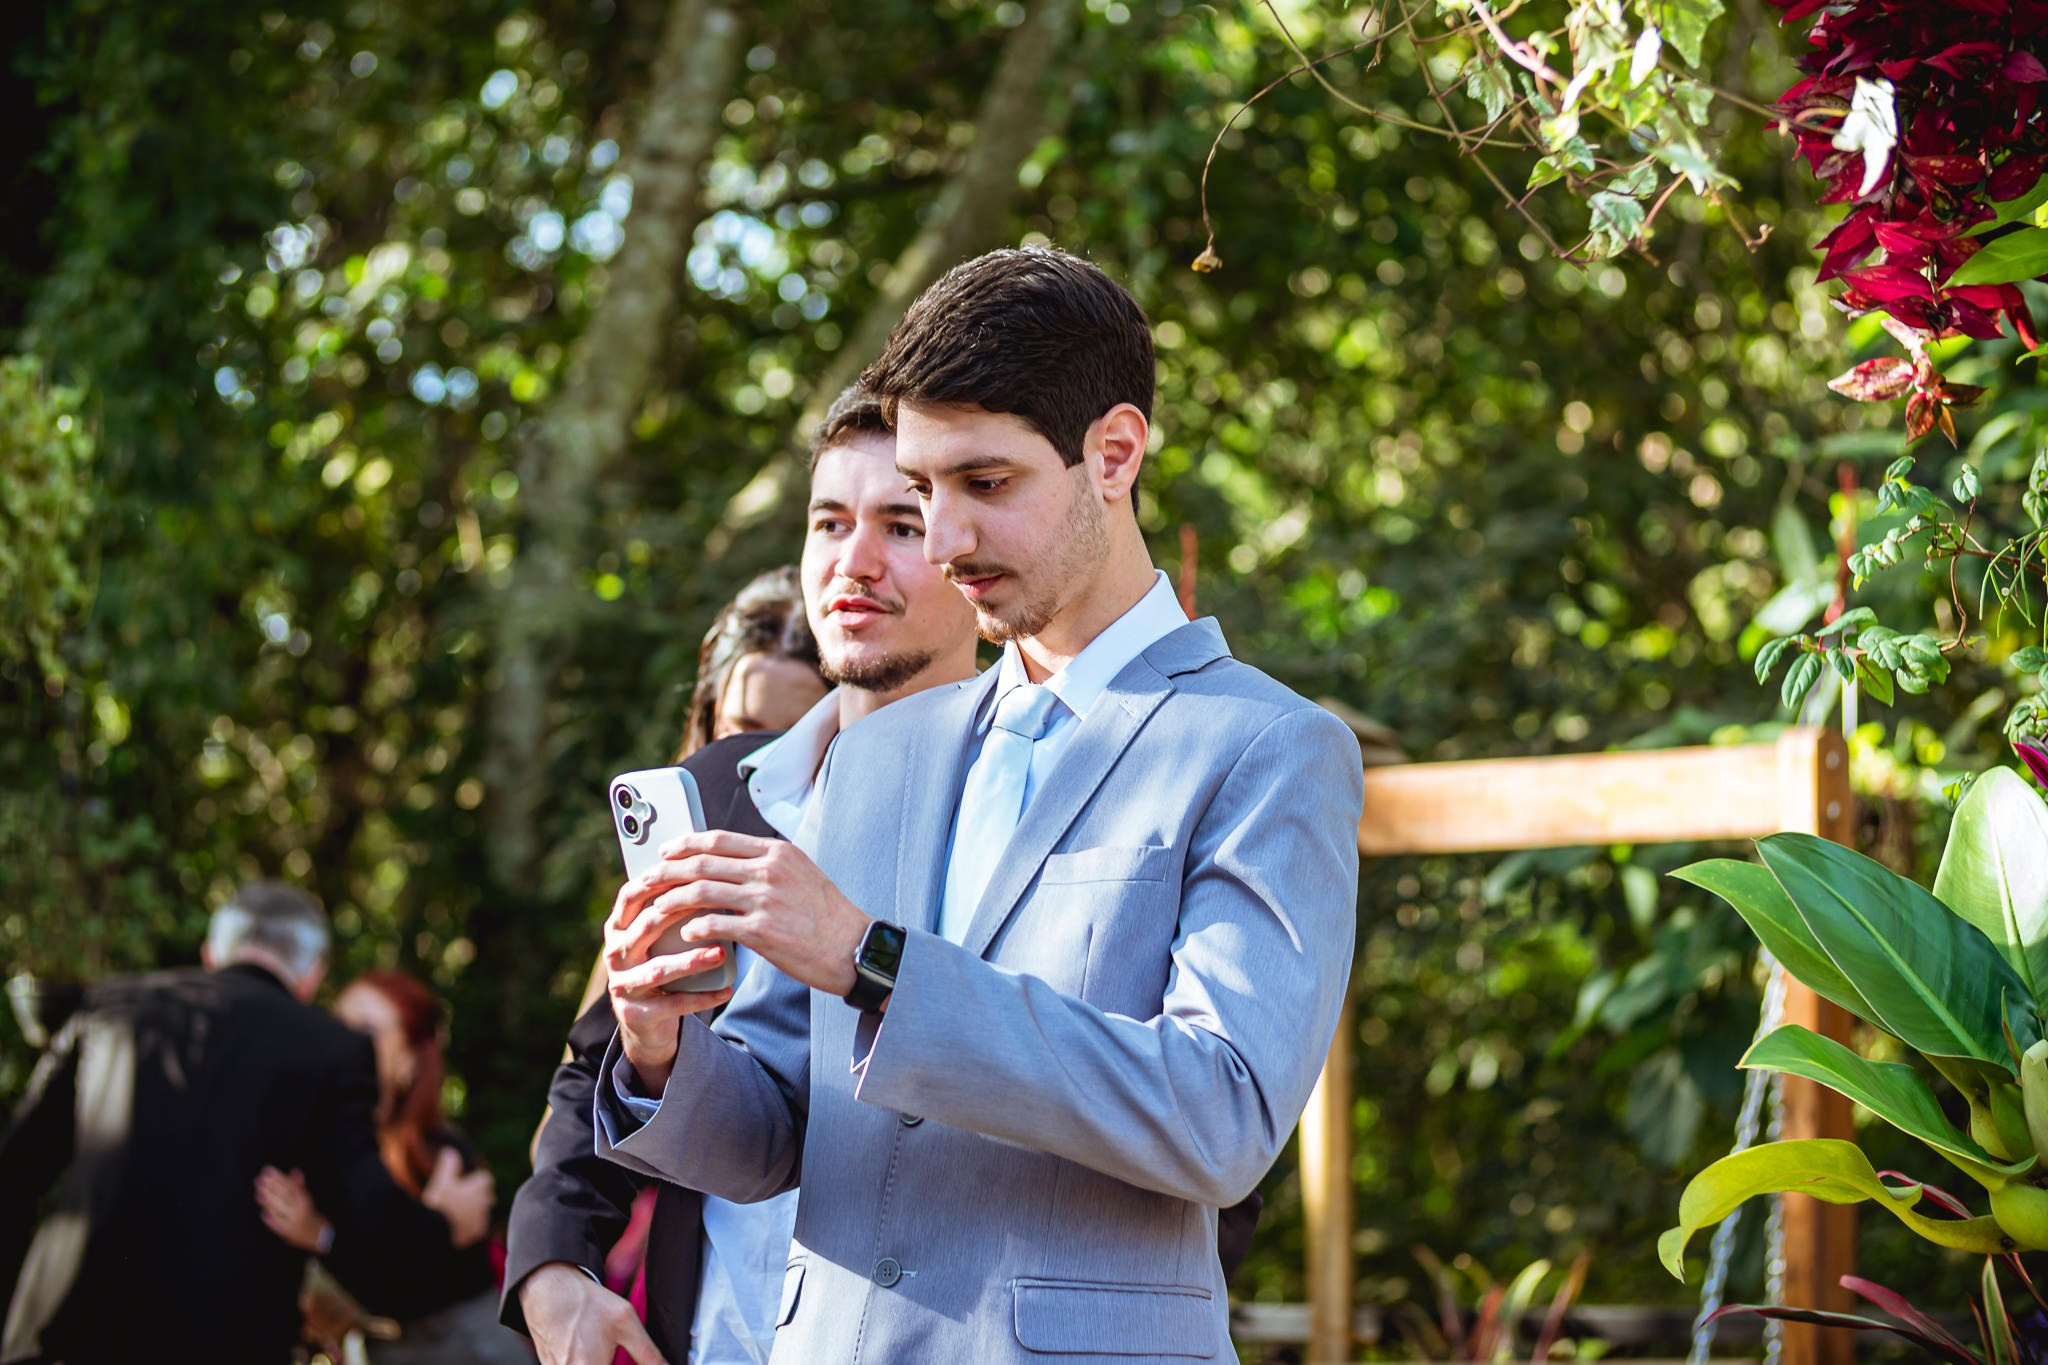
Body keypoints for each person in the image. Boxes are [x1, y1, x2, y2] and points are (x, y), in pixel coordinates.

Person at [596, 245, 1365, 1363]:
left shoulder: (1268, 747)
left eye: (984, 485)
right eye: (923, 490)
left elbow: (1222, 1115)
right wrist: (659, 1046)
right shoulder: (872, 757)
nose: (943, 541)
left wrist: (871, 959)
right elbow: (772, 1134)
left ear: (1113, 453)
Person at [504, 388, 978, 1365]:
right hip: (717, 1331)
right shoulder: (721, 788)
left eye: (900, 521)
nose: (853, 558)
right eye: (829, 522)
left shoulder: (1042, 787)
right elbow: (596, 1074)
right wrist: (554, 1271)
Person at [0, 883, 493, 1365]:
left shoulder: (110, 1007)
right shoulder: (330, 1049)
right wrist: (442, 1223)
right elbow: (368, 1209)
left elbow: (17, 1171)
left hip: (64, 1336)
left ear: (212, 953)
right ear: (311, 976)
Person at [252, 969, 526, 1364]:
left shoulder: (443, 1156)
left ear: (410, 1061)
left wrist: (321, 1235)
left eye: (364, 1032)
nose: (344, 1043)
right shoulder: (326, 1145)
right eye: (338, 1027)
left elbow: (404, 1286)